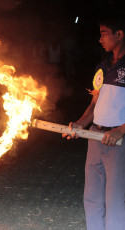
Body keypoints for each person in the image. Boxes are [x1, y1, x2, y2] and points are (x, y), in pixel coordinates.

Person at [63, 13, 125, 230]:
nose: (100, 39)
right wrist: (80, 124)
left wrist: (120, 131)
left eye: (104, 34)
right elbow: (94, 104)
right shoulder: (102, 65)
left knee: (115, 200)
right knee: (91, 197)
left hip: (116, 142)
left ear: (120, 34)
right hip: (94, 137)